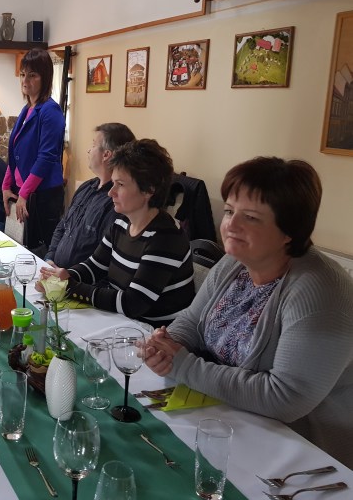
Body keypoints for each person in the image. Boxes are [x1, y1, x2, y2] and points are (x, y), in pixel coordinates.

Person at [145, 157, 353, 467]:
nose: (231, 225)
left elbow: (285, 398)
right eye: (230, 211)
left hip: (301, 455)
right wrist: (166, 345)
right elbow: (193, 321)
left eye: (251, 217)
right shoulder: (236, 261)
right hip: (229, 419)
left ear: (290, 230)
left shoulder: (321, 291)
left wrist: (184, 365)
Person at [38, 139, 195, 326]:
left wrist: (69, 286)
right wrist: (62, 276)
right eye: (113, 183)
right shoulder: (122, 222)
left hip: (152, 333)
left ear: (149, 189)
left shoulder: (165, 238)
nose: (111, 192)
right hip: (120, 322)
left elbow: (133, 303)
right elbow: (95, 266)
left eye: (120, 184)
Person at [45, 122, 136, 268]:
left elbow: (105, 258)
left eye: (93, 145)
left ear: (106, 155)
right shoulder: (85, 187)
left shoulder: (117, 202)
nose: (89, 150)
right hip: (54, 271)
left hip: (79, 279)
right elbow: (63, 225)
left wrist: (70, 275)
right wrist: (49, 258)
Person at [2, 48, 65, 255]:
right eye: (23, 74)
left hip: (43, 195)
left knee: (39, 252)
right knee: (20, 248)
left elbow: (46, 157)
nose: (25, 80)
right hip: (24, 190)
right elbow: (15, 154)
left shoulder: (50, 111)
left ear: (45, 78)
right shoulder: (27, 109)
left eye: (32, 75)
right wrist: (6, 186)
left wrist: (24, 193)